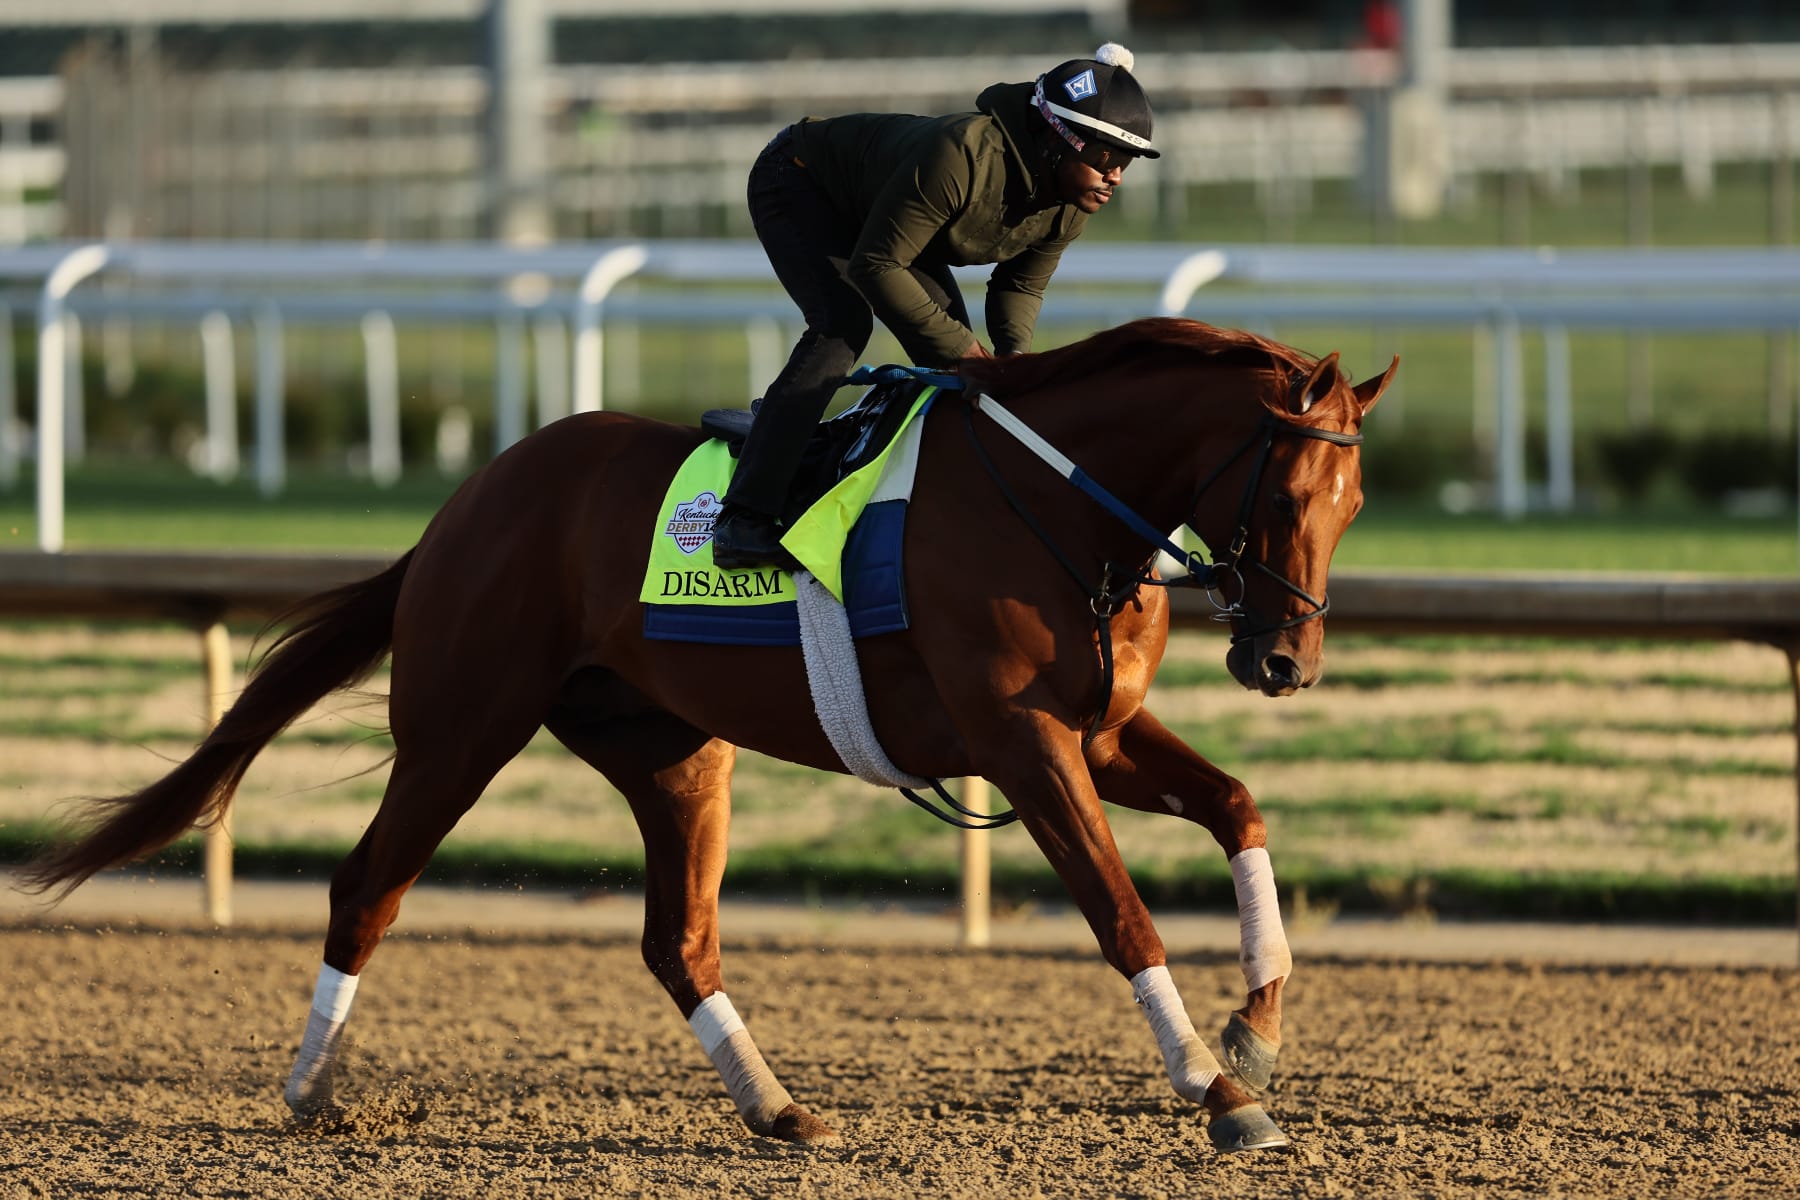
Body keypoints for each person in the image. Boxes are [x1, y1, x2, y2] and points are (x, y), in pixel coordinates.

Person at [711, 43, 1160, 569]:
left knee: (955, 364)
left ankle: (852, 469)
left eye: (1124, 161)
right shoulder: (962, 155)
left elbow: (1020, 287)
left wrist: (1013, 364)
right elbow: (876, 266)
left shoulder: (1070, 204)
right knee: (843, 326)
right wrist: (968, 353)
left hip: (882, 216)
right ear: (1059, 140)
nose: (1116, 177)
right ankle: (744, 517)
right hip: (802, 180)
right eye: (1105, 157)